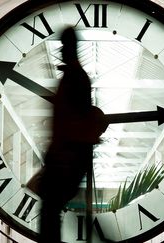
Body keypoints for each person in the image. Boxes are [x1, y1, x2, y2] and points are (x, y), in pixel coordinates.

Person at [38, 27, 107, 243]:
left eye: (64, 46)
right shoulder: (77, 77)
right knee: (52, 210)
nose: (61, 50)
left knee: (50, 210)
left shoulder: (74, 78)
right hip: (69, 158)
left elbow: (72, 121)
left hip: (65, 159)